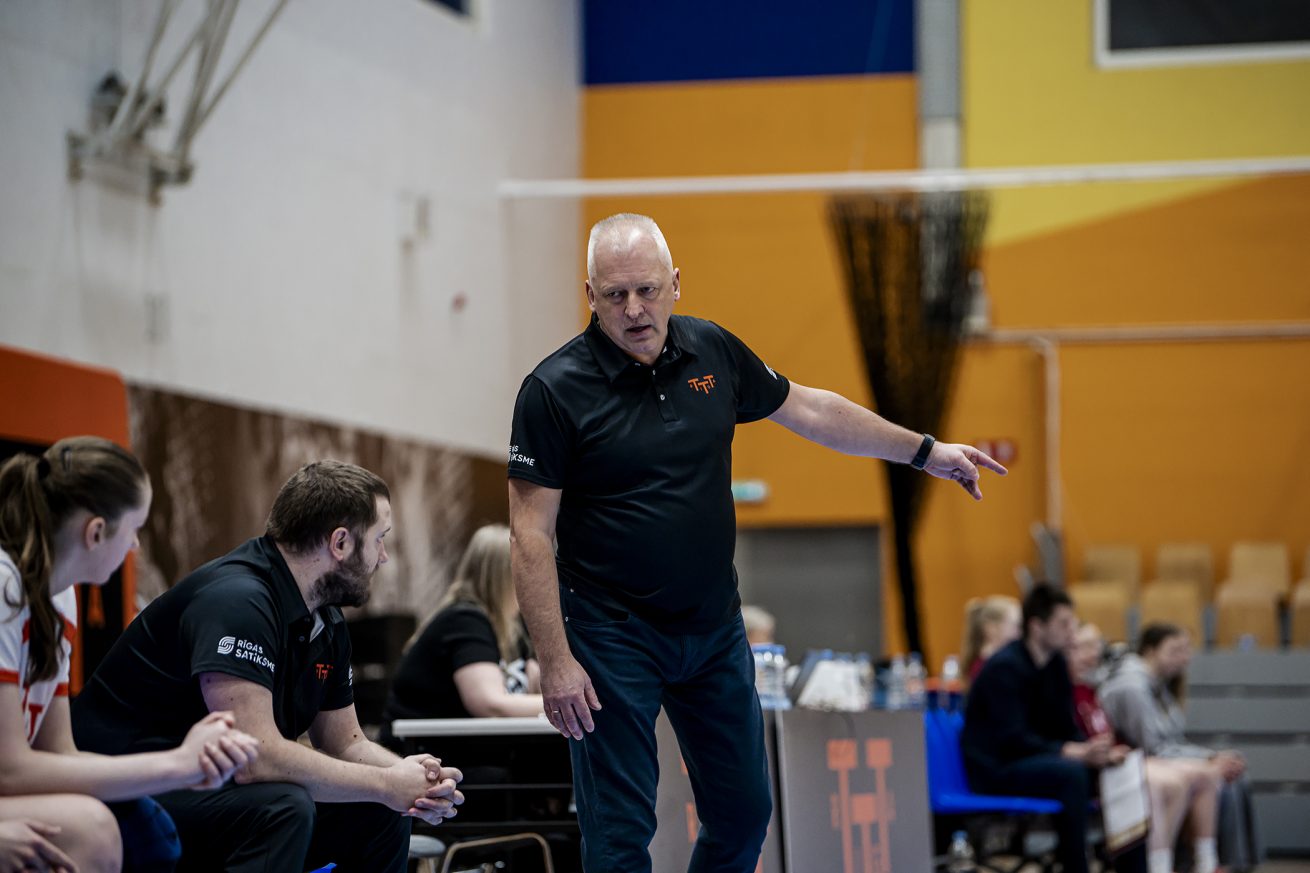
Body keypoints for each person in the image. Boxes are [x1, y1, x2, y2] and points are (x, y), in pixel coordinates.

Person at [508, 213, 1008, 872]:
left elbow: (812, 409)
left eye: (647, 290)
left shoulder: (712, 351)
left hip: (712, 627)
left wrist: (925, 451)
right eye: (615, 294)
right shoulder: (553, 390)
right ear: (590, 295)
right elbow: (529, 534)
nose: (633, 309)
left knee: (744, 815)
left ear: (676, 284)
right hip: (610, 632)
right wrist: (554, 659)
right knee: (621, 833)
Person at [72, 460, 464, 873]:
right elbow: (255, 757)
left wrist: (414, 779)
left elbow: (346, 744)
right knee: (283, 806)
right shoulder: (239, 600)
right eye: (379, 539)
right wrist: (386, 784)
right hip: (127, 786)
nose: (383, 557)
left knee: (381, 810)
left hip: (205, 786)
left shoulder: (326, 620)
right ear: (340, 542)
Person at [0, 436, 260, 873]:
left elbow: (60, 753)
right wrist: (176, 765)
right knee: (92, 828)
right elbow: (9, 770)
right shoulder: (5, 586)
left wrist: (186, 769)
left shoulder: (60, 598)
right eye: (133, 528)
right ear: (96, 532)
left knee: (152, 833)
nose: (135, 545)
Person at [961, 583, 1146, 873]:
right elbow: (1011, 739)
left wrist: (1094, 751)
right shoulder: (1003, 669)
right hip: (998, 768)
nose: (1072, 631)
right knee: (1071, 775)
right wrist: (1072, 752)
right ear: (1037, 626)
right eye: (1063, 623)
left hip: (1040, 758)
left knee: (1121, 768)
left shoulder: (1055, 665)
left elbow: (1065, 726)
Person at [1100, 623, 1260, 871]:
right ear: (1150, 651)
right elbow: (1152, 747)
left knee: (1236, 777)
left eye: (1186, 650)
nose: (1184, 658)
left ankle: (1219, 863)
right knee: (1218, 779)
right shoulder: (1131, 686)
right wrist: (1210, 759)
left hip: (1161, 761)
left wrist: (1211, 757)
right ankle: (1201, 863)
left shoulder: (1159, 684)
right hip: (1135, 767)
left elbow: (1173, 741)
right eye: (1175, 650)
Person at [1068, 623, 1219, 873]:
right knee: (1157, 783)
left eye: (1096, 646)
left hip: (1115, 759)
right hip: (1097, 768)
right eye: (1081, 647)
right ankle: (1156, 866)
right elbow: (1075, 740)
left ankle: (1190, 863)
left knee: (1187, 780)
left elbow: (1106, 734)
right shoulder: (1072, 690)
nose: (1092, 654)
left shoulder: (1089, 689)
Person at [382, 524, 542, 736]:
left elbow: (533, 684)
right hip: (420, 747)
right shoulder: (465, 620)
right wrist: (561, 703)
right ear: (504, 576)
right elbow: (490, 704)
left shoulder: (510, 627)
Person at [960, 594, 1020, 684]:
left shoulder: (1003, 664)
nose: (1020, 633)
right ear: (991, 628)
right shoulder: (985, 670)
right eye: (1015, 626)